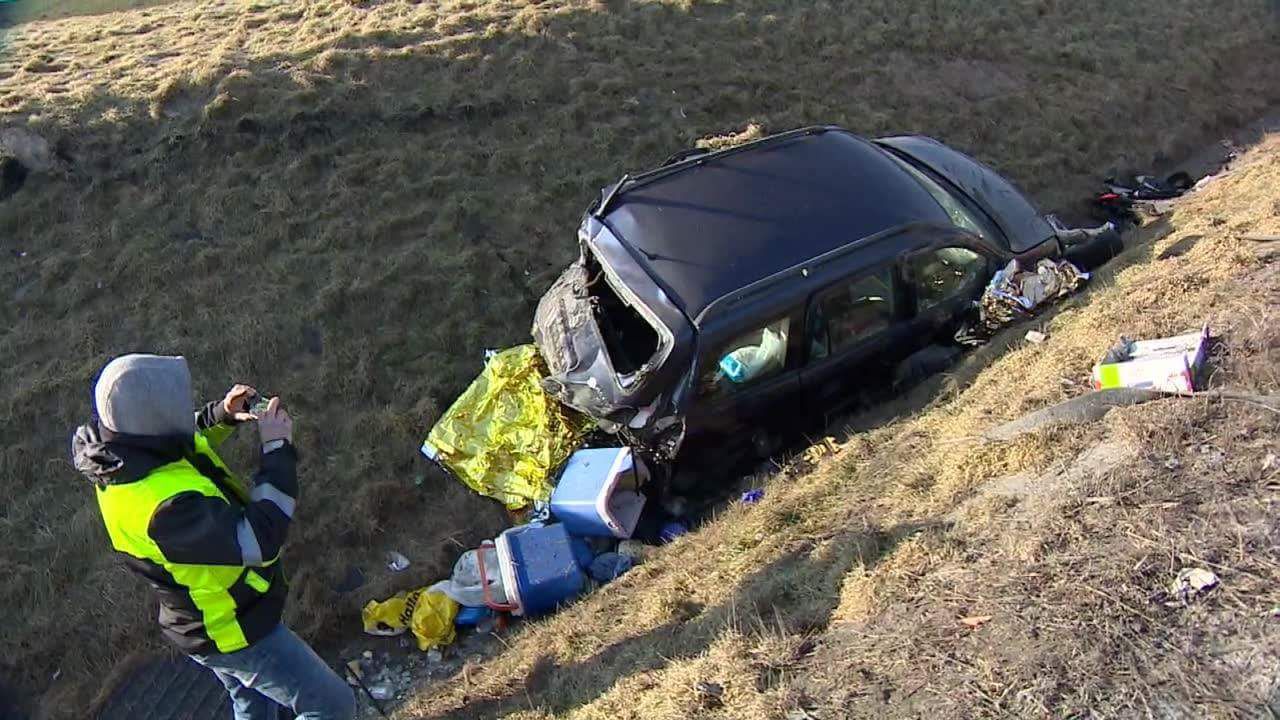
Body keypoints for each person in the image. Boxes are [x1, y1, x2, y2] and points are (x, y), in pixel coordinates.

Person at [71, 354, 355, 720]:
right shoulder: (164, 510)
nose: (183, 410)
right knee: (331, 705)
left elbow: (182, 441)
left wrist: (220, 414)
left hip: (203, 622)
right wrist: (278, 450)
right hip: (233, 628)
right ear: (152, 421)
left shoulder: (120, 450)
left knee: (254, 704)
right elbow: (259, 539)